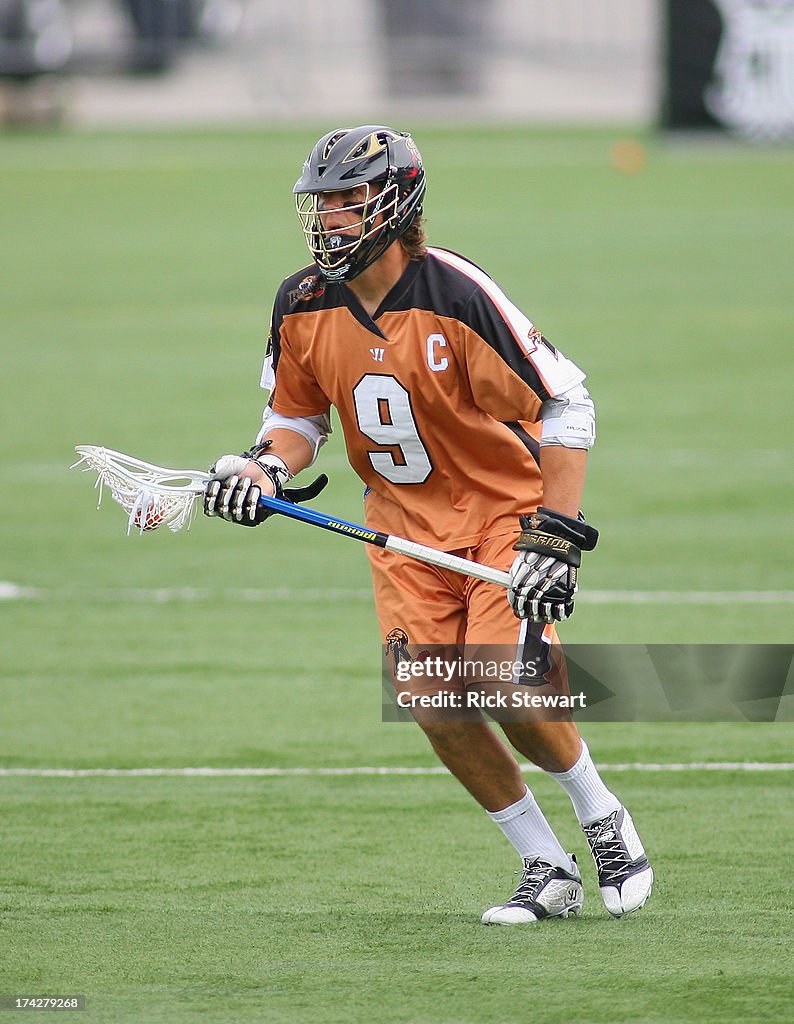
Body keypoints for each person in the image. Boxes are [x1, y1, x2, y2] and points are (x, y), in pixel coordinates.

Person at [204, 125, 653, 925]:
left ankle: (603, 818)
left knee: (501, 683)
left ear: (397, 201)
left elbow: (566, 401)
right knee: (433, 701)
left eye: (349, 200)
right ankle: (546, 868)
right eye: (323, 203)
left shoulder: (454, 293)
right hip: (405, 531)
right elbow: (295, 417)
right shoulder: (302, 301)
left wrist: (555, 531)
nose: (331, 218)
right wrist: (262, 467)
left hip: (502, 516)